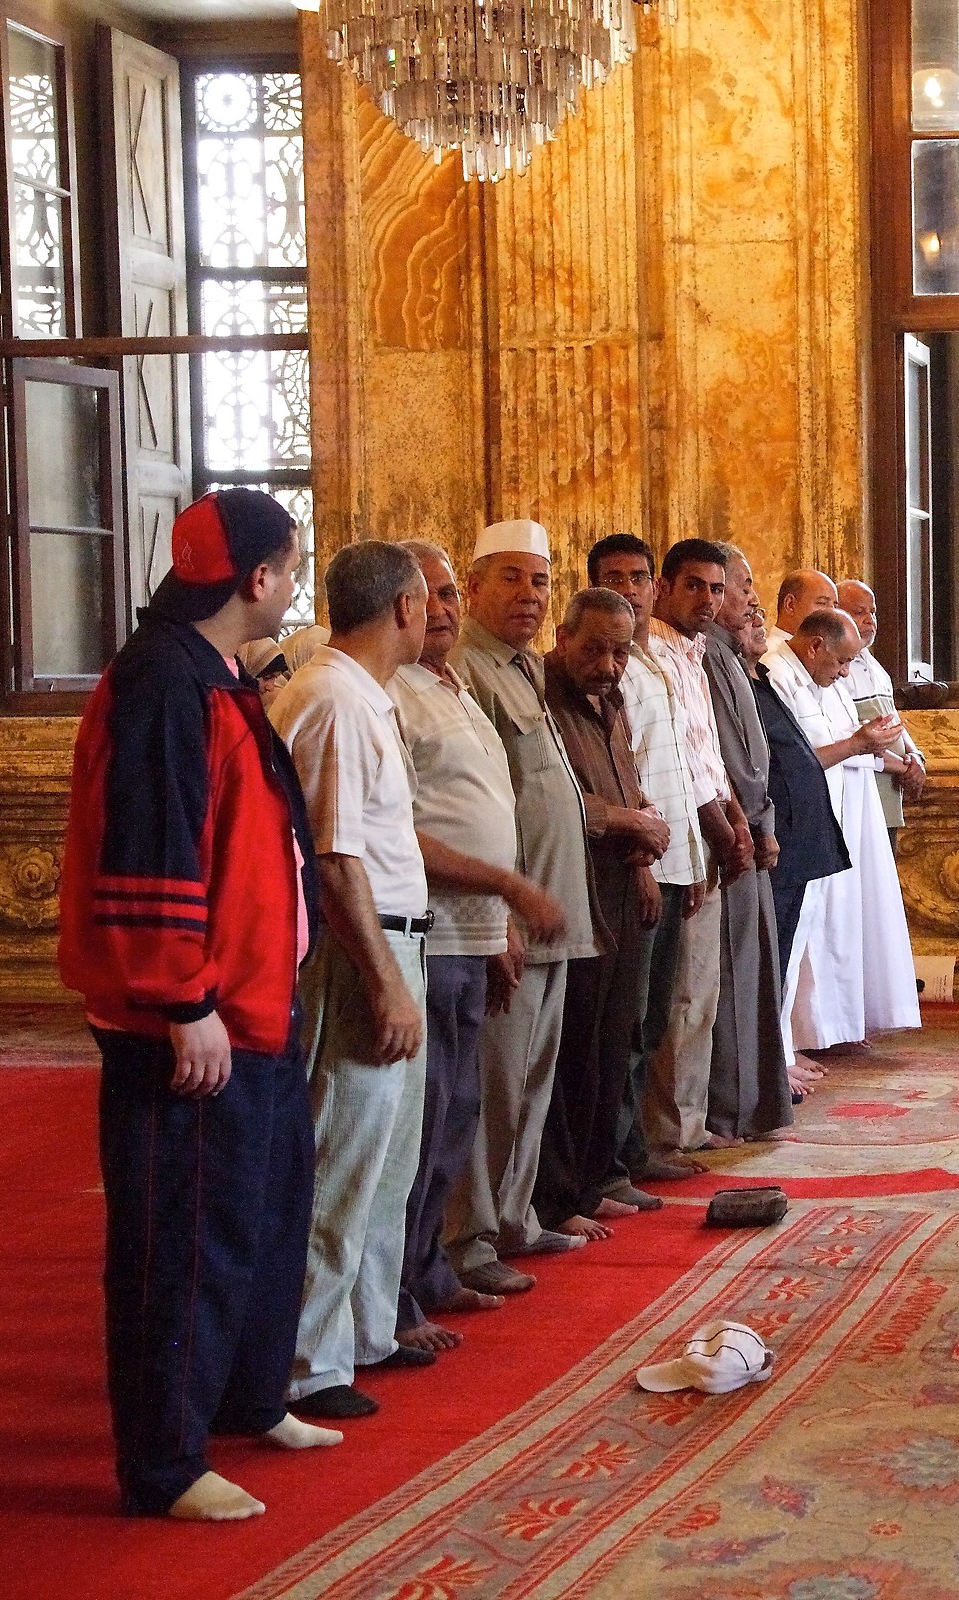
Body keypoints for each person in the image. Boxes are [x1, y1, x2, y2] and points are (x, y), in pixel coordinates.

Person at [58, 488, 333, 1522]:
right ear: (255, 578)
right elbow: (153, 841)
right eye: (292, 564)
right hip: (194, 1016)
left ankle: (246, 1398)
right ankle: (164, 1462)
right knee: (181, 1236)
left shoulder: (213, 670)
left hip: (255, 1005)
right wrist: (182, 999)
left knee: (261, 1212)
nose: (297, 582)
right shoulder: (163, 682)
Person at [385, 542, 570, 1354]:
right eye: (431, 595)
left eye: (452, 592)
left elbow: (482, 804)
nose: (446, 608)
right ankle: (389, 1297)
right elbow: (398, 829)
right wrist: (510, 888)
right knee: (418, 1122)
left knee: (456, 1112)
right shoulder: (387, 693)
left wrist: (497, 924)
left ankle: (426, 1269)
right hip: (422, 934)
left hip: (472, 934)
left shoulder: (451, 685)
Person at [267, 541, 432, 1421]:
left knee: (386, 1160)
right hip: (362, 951)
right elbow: (334, 862)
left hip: (397, 939)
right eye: (429, 598)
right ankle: (308, 1361)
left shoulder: (364, 694)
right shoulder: (332, 696)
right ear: (403, 607)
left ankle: (363, 1335)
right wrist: (385, 983)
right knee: (343, 1155)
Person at [445, 520, 601, 1297]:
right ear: (474, 587)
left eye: (540, 581)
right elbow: (480, 802)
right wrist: (499, 914)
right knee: (497, 1084)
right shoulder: (466, 669)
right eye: (510, 578)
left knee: (533, 1079)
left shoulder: (522, 671)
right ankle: (471, 1237)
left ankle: (514, 1217)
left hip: (549, 908)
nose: (529, 595)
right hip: (505, 916)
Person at [532, 588, 670, 1241]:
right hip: (573, 883)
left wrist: (641, 860)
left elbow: (625, 781)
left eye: (621, 651)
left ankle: (594, 1178)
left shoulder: (609, 699)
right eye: (596, 648)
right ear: (563, 638)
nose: (610, 664)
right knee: (577, 1049)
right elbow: (562, 799)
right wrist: (628, 823)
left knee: (615, 1041)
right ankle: (561, 1195)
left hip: (619, 880)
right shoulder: (542, 695)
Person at [583, 533, 701, 1193]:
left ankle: (634, 1149)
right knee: (626, 1022)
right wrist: (644, 864)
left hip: (675, 853)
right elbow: (618, 773)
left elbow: (678, 765)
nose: (628, 587)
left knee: (655, 1018)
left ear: (653, 587)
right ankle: (621, 1159)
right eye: (613, 576)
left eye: (637, 576)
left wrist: (694, 854)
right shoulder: (603, 666)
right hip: (636, 862)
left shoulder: (654, 661)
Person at [638, 539, 756, 1161]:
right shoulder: (651, 653)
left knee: (699, 989)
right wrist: (723, 825)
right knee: (679, 994)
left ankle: (685, 1120)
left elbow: (708, 753)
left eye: (716, 588)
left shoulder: (694, 652)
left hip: (706, 830)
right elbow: (678, 763)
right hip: (678, 838)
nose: (707, 600)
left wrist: (735, 817)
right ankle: (667, 1129)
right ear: (664, 589)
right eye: (695, 587)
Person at [761, 610, 912, 1052]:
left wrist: (872, 745)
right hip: (790, 828)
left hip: (828, 823)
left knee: (814, 940)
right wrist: (860, 744)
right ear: (815, 647)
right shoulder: (776, 675)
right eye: (842, 662)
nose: (846, 672)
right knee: (788, 949)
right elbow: (795, 761)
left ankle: (799, 1045)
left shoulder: (819, 678)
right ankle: (781, 1053)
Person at [700, 548, 792, 1140]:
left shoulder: (732, 654)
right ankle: (730, 1111)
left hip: (753, 826)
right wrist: (749, 822)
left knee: (755, 972)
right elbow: (721, 759)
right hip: (728, 836)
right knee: (729, 981)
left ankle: (755, 1104)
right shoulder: (705, 653)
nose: (750, 598)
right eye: (742, 586)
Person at [749, 606, 852, 1098]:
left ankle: (778, 1057)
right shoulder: (759, 675)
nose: (758, 625)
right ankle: (771, 1064)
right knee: (772, 959)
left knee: (785, 956)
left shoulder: (759, 677)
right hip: (774, 839)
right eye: (748, 616)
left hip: (798, 838)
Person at [833, 580, 928, 832]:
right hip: (861, 794)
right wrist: (905, 767)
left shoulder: (873, 664)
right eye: (859, 612)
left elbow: (892, 719)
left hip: (888, 793)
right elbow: (853, 735)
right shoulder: (835, 667)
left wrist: (916, 755)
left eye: (872, 612)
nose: (869, 620)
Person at [770, 569, 836, 650]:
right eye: (822, 603)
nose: (833, 613)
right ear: (790, 604)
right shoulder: (770, 657)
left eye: (835, 606)